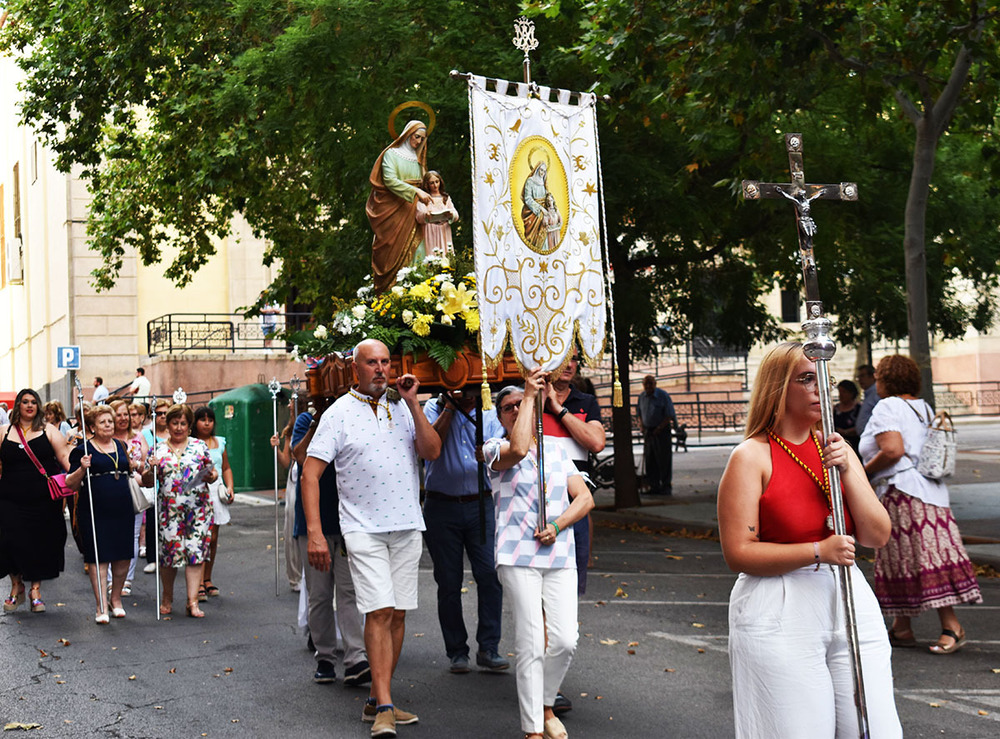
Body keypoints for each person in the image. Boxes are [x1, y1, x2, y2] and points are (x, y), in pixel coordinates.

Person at [717, 342, 901, 738]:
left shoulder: (836, 449)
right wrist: (818, 551)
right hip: (780, 606)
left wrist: (849, 467)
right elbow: (738, 552)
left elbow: (876, 534)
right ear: (777, 387)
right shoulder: (751, 456)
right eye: (806, 378)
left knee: (875, 729)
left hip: (849, 598)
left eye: (826, 378)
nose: (822, 387)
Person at [301, 338, 441, 738]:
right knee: (379, 612)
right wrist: (315, 534)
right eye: (372, 363)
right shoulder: (338, 414)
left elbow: (431, 451)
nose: (381, 369)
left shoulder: (404, 406)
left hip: (407, 525)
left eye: (386, 362)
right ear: (354, 369)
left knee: (397, 614)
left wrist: (414, 403)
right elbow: (311, 474)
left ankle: (379, 698)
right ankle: (384, 706)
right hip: (362, 529)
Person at [483, 372, 595, 739]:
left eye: (520, 404)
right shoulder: (492, 449)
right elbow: (516, 451)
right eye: (508, 408)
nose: (515, 410)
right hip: (516, 554)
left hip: (559, 553)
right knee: (531, 640)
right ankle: (533, 729)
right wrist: (530, 395)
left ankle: (545, 704)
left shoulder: (557, 451)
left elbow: (585, 498)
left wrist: (559, 525)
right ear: (500, 417)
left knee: (565, 639)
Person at [859, 354, 982, 654]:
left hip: (904, 494)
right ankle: (902, 627)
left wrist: (864, 473)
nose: (875, 380)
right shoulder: (923, 407)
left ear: (887, 378)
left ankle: (952, 626)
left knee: (919, 560)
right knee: (914, 559)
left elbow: (893, 450)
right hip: (931, 493)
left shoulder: (888, 405)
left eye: (878, 375)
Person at [422, 387, 508, 674]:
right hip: (441, 506)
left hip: (480, 505)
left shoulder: (489, 412)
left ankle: (489, 647)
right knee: (448, 581)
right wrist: (449, 407)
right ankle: (456, 650)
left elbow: (500, 451)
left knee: (490, 576)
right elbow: (429, 448)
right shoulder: (432, 408)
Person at [292, 403, 370, 687]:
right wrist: (317, 421)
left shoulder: (354, 416)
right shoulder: (305, 420)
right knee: (320, 594)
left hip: (349, 521)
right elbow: (300, 456)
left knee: (350, 592)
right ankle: (325, 657)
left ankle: (356, 659)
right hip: (313, 524)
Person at [1, 389, 73, 614]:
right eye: (25, 402)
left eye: (34, 402)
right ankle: (16, 586)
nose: (30, 405)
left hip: (43, 500)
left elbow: (66, 459)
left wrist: (86, 464)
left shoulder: (49, 430)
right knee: (8, 541)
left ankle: (35, 590)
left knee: (39, 542)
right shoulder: (4, 431)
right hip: (9, 499)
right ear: (18, 406)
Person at [66, 405, 137, 623]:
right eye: (102, 421)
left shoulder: (122, 446)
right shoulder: (83, 449)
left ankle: (115, 599)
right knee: (99, 557)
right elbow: (70, 484)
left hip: (123, 508)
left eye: (110, 421)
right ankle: (100, 605)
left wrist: (147, 469)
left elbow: (135, 476)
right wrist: (81, 468)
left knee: (123, 556)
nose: (108, 424)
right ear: (92, 426)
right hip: (95, 510)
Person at [153, 404, 218, 618]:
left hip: (198, 508)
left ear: (189, 426)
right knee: (169, 555)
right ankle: (167, 597)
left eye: (183, 423)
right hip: (169, 510)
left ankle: (192, 601)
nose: (179, 427)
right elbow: (146, 480)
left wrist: (211, 476)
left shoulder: (199, 447)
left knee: (195, 553)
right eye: (175, 423)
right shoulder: (158, 449)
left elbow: (213, 472)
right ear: (168, 424)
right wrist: (149, 470)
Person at [367, 120, 432, 293]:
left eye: (422, 139)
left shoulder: (418, 161)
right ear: (408, 134)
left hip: (414, 213)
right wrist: (415, 192)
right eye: (416, 137)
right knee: (389, 250)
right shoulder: (392, 154)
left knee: (419, 249)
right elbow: (389, 180)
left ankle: (417, 294)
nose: (418, 142)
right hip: (393, 210)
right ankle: (391, 294)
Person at [192, 406, 235, 600]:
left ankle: (208, 578)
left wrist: (230, 486)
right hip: (198, 488)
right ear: (195, 422)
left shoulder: (220, 442)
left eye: (210, 419)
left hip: (216, 489)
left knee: (213, 538)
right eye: (202, 419)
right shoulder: (191, 443)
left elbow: (226, 467)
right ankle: (198, 581)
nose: (207, 423)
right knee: (200, 536)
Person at [110, 399, 148, 596]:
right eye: (119, 414)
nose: (124, 418)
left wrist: (137, 467)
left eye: (127, 414)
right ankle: (110, 579)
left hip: (133, 490)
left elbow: (146, 465)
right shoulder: (105, 439)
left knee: (132, 537)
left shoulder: (138, 437)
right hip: (110, 492)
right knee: (110, 534)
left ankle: (127, 580)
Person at [271, 410, 301, 592]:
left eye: (292, 407)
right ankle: (295, 575)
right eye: (289, 407)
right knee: (291, 526)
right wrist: (276, 447)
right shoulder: (290, 431)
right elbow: (285, 462)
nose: (291, 409)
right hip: (294, 479)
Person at [142, 398, 170, 574]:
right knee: (152, 521)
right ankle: (152, 557)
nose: (162, 417)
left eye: (166, 413)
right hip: (154, 484)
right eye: (158, 413)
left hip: (172, 485)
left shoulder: (174, 434)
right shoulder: (146, 434)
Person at [636, 375, 676, 495]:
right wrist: (642, 426)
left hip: (661, 431)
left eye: (650, 384)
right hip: (648, 430)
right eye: (646, 384)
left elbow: (669, 415)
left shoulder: (663, 396)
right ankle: (653, 486)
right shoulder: (642, 397)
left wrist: (659, 428)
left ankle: (665, 486)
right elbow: (639, 413)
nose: (648, 386)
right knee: (650, 459)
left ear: (655, 384)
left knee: (663, 459)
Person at [414, 170, 459, 260]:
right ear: (427, 185)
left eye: (437, 182)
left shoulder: (445, 198)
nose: (435, 185)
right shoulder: (424, 198)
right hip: (430, 230)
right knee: (432, 255)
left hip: (444, 230)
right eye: (432, 183)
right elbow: (418, 216)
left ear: (440, 182)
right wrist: (426, 215)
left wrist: (451, 215)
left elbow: (456, 214)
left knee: (446, 256)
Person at [521, 155, 554, 251]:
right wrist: (541, 209)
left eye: (544, 171)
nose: (542, 173)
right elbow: (528, 199)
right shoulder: (530, 181)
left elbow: (547, 195)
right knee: (533, 240)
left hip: (544, 210)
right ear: (537, 169)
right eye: (541, 170)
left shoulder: (544, 182)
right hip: (532, 212)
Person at [833, 379, 861, 452]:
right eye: (840, 392)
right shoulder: (835, 409)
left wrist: (846, 432)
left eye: (844, 392)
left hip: (854, 446)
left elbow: (861, 426)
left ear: (851, 393)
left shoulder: (858, 408)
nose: (841, 395)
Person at [854, 363, 878, 435]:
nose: (860, 380)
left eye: (862, 376)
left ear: (872, 376)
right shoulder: (868, 394)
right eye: (858, 377)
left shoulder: (877, 393)